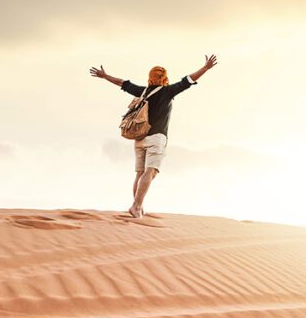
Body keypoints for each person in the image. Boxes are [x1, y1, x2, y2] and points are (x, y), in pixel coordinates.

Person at [89, 55, 218, 218]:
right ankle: (136, 206)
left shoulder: (142, 91)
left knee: (140, 173)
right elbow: (188, 80)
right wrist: (205, 68)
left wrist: (105, 76)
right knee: (150, 172)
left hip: (139, 138)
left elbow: (123, 83)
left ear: (150, 77)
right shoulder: (168, 91)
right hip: (156, 138)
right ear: (164, 78)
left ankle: (138, 206)